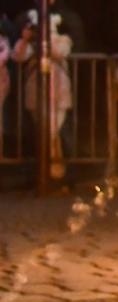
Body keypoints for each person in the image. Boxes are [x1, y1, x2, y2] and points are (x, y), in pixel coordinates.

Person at [13, 9, 73, 180]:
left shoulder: (63, 39)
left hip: (59, 94)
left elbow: (60, 52)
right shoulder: (32, 43)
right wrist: (25, 39)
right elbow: (18, 56)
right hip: (37, 95)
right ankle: (44, 174)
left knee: (57, 133)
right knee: (41, 132)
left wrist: (45, 39)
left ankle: (60, 174)